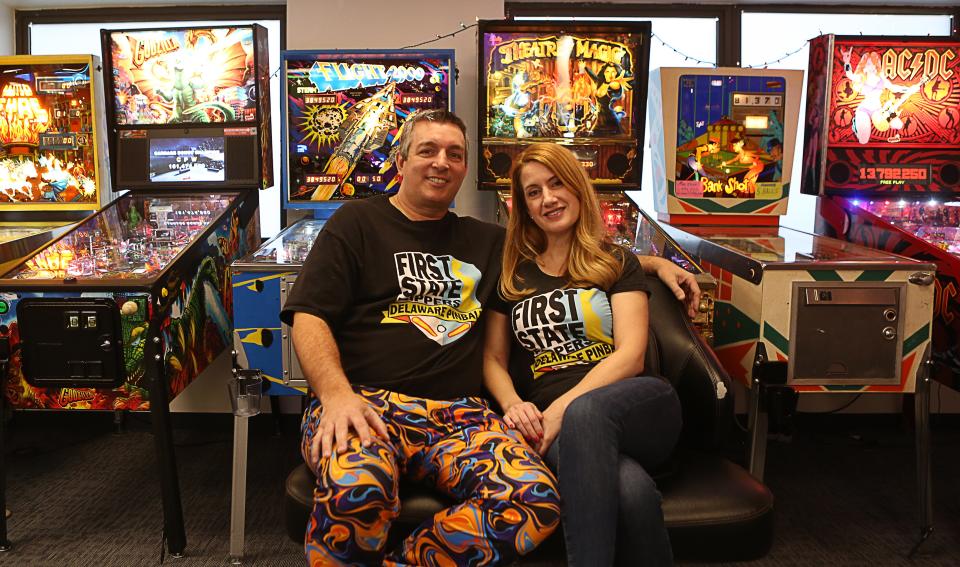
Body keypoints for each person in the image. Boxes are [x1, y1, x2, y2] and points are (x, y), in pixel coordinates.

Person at [281, 109, 700, 566]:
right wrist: (337, 396)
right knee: (358, 489)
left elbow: (568, 250)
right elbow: (309, 315)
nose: (442, 162)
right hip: (366, 402)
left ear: (464, 169)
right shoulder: (356, 222)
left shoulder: (489, 242)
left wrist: (656, 266)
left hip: (462, 417)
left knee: (533, 499)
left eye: (454, 154)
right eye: (428, 150)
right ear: (401, 163)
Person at [483, 142, 684, 567]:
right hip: (555, 425)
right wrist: (515, 404)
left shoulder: (616, 262)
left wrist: (560, 409)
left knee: (586, 415)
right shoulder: (514, 273)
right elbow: (493, 360)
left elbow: (631, 355)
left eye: (556, 184)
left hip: (636, 402)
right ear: (525, 207)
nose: (548, 198)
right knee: (631, 490)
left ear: (577, 187)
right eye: (534, 192)